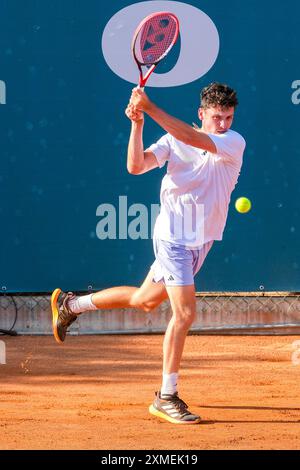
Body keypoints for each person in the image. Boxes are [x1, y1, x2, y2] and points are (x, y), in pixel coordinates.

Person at [51, 82, 246, 425]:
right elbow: (136, 166)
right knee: (184, 315)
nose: (223, 124)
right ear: (202, 114)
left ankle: (70, 305)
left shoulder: (233, 142)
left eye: (228, 117)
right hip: (173, 239)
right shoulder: (172, 141)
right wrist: (138, 123)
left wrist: (149, 107)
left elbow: (194, 139)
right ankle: (166, 396)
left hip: (200, 243)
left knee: (144, 300)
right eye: (217, 117)